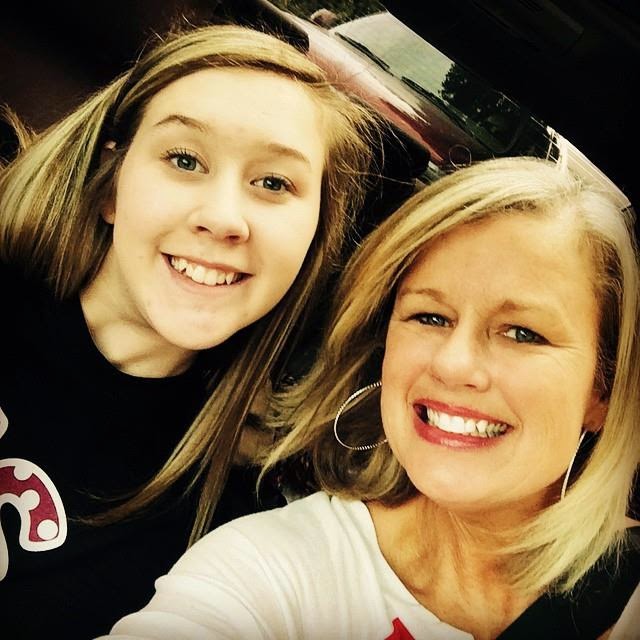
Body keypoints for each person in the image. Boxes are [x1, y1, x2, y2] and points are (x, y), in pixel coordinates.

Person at [105, 157, 640, 640]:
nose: (452, 364)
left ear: (603, 391)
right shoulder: (274, 570)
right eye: (429, 317)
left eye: (523, 333)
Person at [0, 23, 379, 639]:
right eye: (184, 160)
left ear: (315, 235)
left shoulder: (241, 531)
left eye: (274, 183)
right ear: (111, 185)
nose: (223, 218)